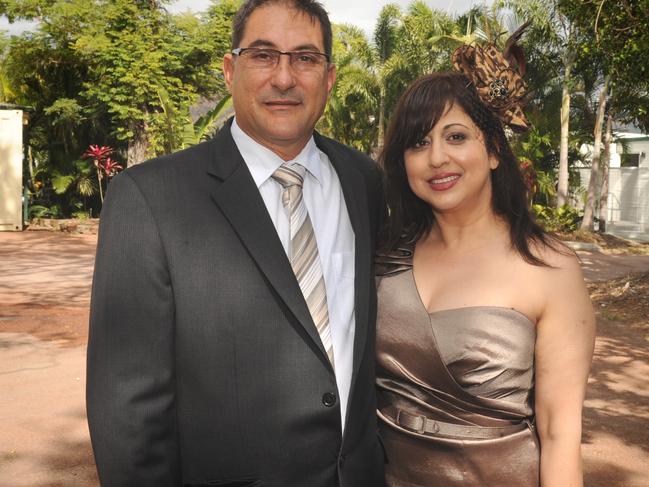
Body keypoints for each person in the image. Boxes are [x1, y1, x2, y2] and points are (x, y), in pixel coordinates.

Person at [86, 1, 386, 486]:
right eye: (263, 55)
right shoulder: (151, 197)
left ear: (329, 77)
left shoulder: (363, 181)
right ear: (230, 70)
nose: (285, 78)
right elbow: (128, 408)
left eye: (305, 58)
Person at [375, 41, 595, 487]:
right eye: (419, 142)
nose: (437, 158)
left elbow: (558, 434)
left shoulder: (549, 269)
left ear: (494, 151)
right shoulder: (383, 258)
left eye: (456, 137)